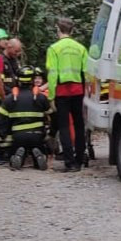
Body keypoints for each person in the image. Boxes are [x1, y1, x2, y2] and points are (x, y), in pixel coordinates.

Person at [44, 17, 88, 173]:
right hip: (78, 90)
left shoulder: (54, 49)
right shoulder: (81, 48)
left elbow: (52, 74)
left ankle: (69, 162)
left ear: (58, 30)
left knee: (63, 126)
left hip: (62, 91)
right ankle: (79, 160)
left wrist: (51, 96)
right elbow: (87, 73)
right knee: (79, 124)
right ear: (72, 30)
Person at [0, 67, 50, 170]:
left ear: (17, 79)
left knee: (17, 146)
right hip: (37, 135)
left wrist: (4, 136)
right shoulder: (41, 97)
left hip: (18, 136)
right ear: (33, 79)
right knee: (38, 146)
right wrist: (50, 134)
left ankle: (17, 154)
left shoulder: (10, 99)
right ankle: (39, 154)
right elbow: (53, 116)